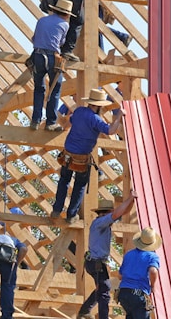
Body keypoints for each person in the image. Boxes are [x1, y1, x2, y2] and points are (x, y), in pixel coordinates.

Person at [51, 88, 124, 223]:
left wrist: (63, 129)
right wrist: (119, 116)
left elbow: (68, 123)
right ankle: (71, 215)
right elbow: (111, 130)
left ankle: (56, 209)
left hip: (68, 154)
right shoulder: (95, 119)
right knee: (79, 185)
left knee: (64, 181)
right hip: (81, 158)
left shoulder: (78, 111)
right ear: (97, 106)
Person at [77, 192, 137, 319]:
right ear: (107, 213)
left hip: (94, 262)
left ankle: (85, 311)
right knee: (104, 293)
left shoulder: (101, 222)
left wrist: (132, 200)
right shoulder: (101, 222)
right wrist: (129, 198)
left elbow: (122, 212)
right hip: (96, 263)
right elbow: (117, 214)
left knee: (101, 288)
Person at [116, 226, 162, 319]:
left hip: (124, 293)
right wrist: (153, 287)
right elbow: (153, 271)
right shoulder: (152, 257)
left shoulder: (129, 255)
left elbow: (120, 275)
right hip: (139, 294)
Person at [30, 0, 74, 131]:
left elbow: (34, 38)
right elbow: (60, 43)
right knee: (55, 89)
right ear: (67, 14)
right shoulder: (64, 25)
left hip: (37, 55)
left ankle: (35, 121)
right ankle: (51, 122)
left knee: (39, 88)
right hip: (52, 57)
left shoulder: (41, 20)